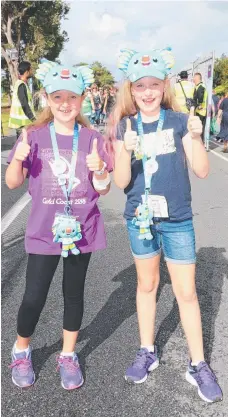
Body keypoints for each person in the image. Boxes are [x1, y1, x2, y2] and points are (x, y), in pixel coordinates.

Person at [106, 47, 222, 403]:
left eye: (154, 84)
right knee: (147, 285)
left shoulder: (177, 121)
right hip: (140, 221)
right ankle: (147, 351)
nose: (147, 92)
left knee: (186, 292)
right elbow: (122, 182)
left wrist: (198, 136)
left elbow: (202, 170)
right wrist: (124, 149)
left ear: (164, 85)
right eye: (141, 86)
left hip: (177, 221)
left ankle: (198, 363)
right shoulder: (125, 125)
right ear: (132, 89)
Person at [6, 59, 111, 390]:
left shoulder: (94, 138)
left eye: (72, 98)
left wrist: (101, 172)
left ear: (81, 100)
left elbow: (103, 188)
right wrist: (20, 155)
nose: (65, 105)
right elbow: (12, 183)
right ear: (48, 100)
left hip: (82, 230)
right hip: (43, 232)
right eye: (57, 98)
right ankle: (21, 349)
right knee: (34, 296)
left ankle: (68, 355)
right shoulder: (34, 135)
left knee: (73, 295)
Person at [8, 61, 36, 138]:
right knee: (24, 145)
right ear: (27, 72)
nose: (32, 71)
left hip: (22, 122)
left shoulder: (21, 84)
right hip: (22, 123)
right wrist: (33, 119)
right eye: (31, 70)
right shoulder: (21, 85)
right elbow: (24, 104)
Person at [193, 73, 208, 140]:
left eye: (194, 78)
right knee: (201, 128)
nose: (193, 80)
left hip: (201, 111)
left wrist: (199, 105)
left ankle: (200, 143)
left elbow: (200, 96)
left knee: (199, 129)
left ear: (198, 78)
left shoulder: (200, 86)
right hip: (201, 111)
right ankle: (201, 142)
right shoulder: (200, 86)